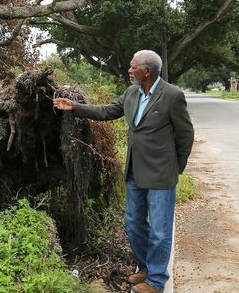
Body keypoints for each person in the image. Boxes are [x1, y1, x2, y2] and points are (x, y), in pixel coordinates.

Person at [53, 50, 194, 293]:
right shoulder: (131, 93)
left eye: (133, 66)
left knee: (160, 231)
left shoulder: (172, 96)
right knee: (133, 224)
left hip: (161, 175)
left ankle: (157, 281)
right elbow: (108, 111)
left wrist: (175, 169)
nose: (129, 70)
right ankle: (146, 267)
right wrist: (76, 107)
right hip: (134, 172)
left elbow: (185, 136)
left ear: (147, 71)